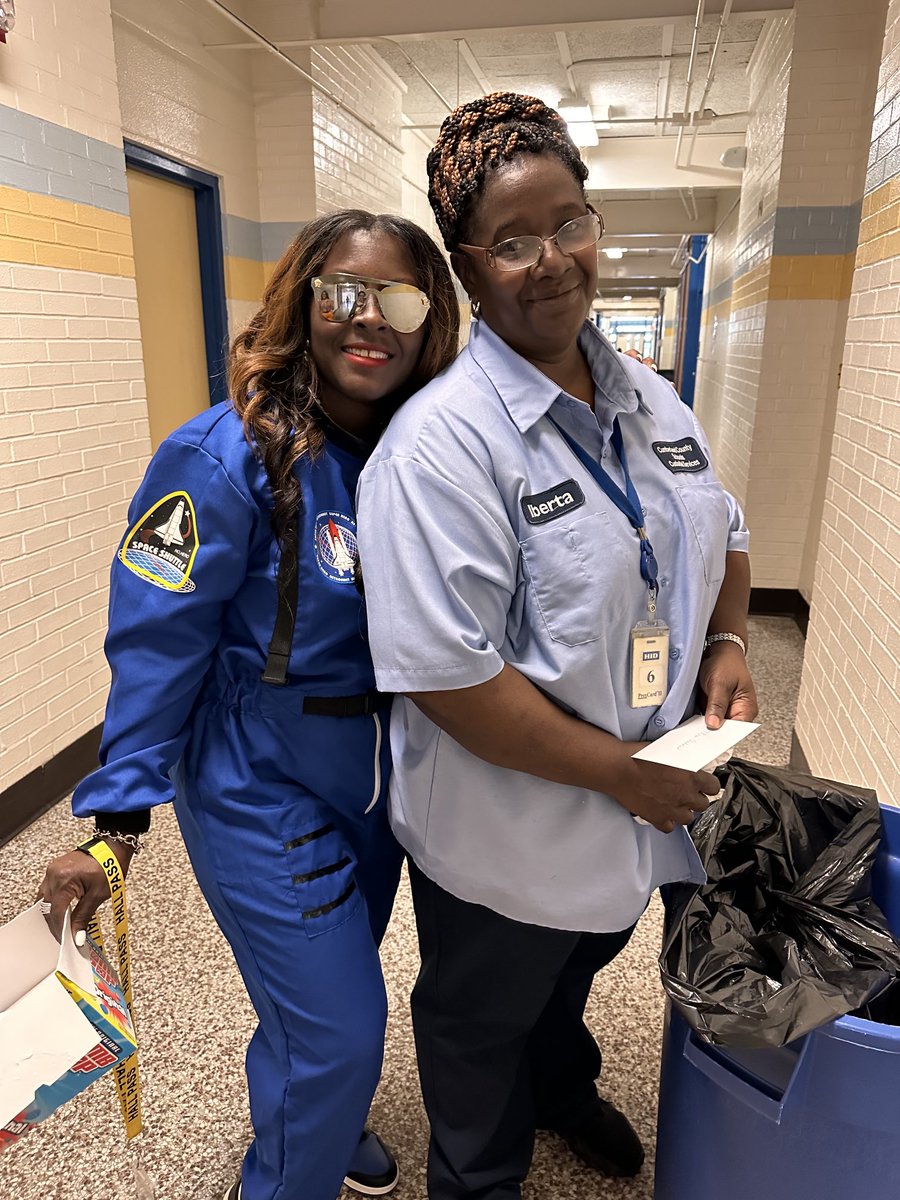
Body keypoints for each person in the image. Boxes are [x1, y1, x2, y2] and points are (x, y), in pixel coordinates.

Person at [356, 93, 759, 1200]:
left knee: (575, 972)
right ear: (469, 266)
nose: (551, 262)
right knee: (479, 1017)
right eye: (513, 244)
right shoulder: (441, 448)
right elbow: (451, 679)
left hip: (635, 819)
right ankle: (478, 1175)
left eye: (568, 224)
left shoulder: (658, 405)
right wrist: (622, 774)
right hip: (507, 833)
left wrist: (726, 636)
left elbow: (718, 527)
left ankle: (563, 1088)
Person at [37, 210, 460, 1200]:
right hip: (256, 784)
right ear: (302, 301)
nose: (370, 321)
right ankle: (289, 1169)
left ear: (430, 320)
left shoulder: (409, 452)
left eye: (398, 299)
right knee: (341, 1033)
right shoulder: (224, 454)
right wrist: (117, 823)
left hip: (372, 781)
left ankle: (318, 1123)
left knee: (321, 1001)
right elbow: (154, 636)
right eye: (343, 293)